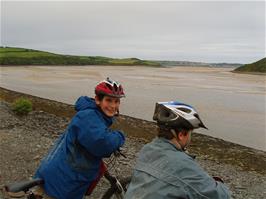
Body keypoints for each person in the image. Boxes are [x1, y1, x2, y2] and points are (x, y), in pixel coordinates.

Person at [34, 77, 126, 199]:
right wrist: (120, 136)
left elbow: (95, 134)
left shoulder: (95, 113)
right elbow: (102, 144)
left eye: (116, 101)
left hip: (62, 172)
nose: (113, 105)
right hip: (63, 180)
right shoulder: (88, 116)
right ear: (98, 99)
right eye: (109, 100)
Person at [125, 101, 231, 199]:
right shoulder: (182, 164)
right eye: (190, 133)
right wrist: (220, 185)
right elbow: (220, 195)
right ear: (181, 135)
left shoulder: (147, 149)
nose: (190, 137)